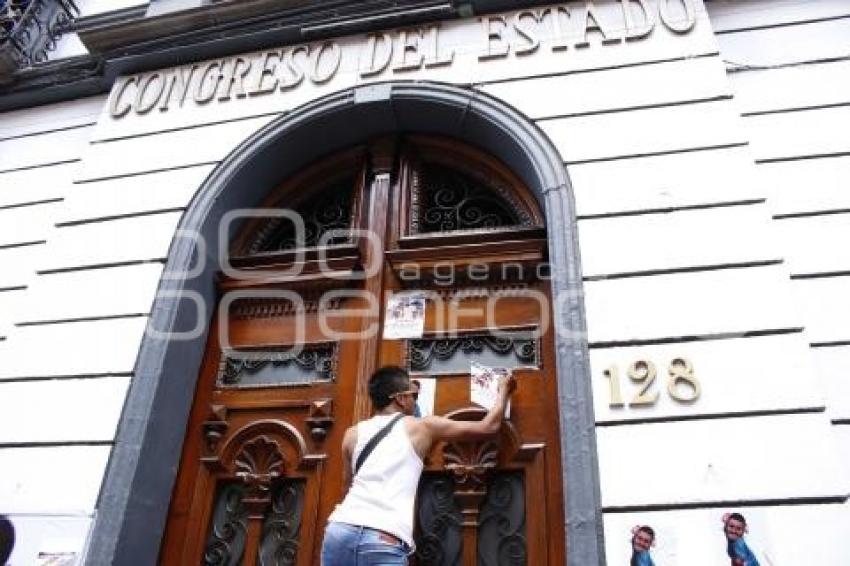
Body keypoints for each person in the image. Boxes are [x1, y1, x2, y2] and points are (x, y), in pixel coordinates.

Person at [321, 365, 515, 565]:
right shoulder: (422, 427)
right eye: (414, 395)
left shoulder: (352, 434)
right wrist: (503, 390)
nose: (416, 400)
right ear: (400, 398)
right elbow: (488, 427)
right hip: (383, 535)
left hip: (339, 530)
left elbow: (346, 489)